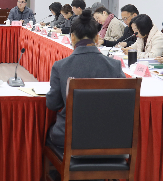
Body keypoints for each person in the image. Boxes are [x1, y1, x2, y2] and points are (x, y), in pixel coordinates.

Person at [46, 9, 125, 149]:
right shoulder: (115, 66)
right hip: (110, 138)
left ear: (72, 38)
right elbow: (122, 103)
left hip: (70, 136)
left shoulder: (60, 66)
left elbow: (53, 104)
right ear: (97, 39)